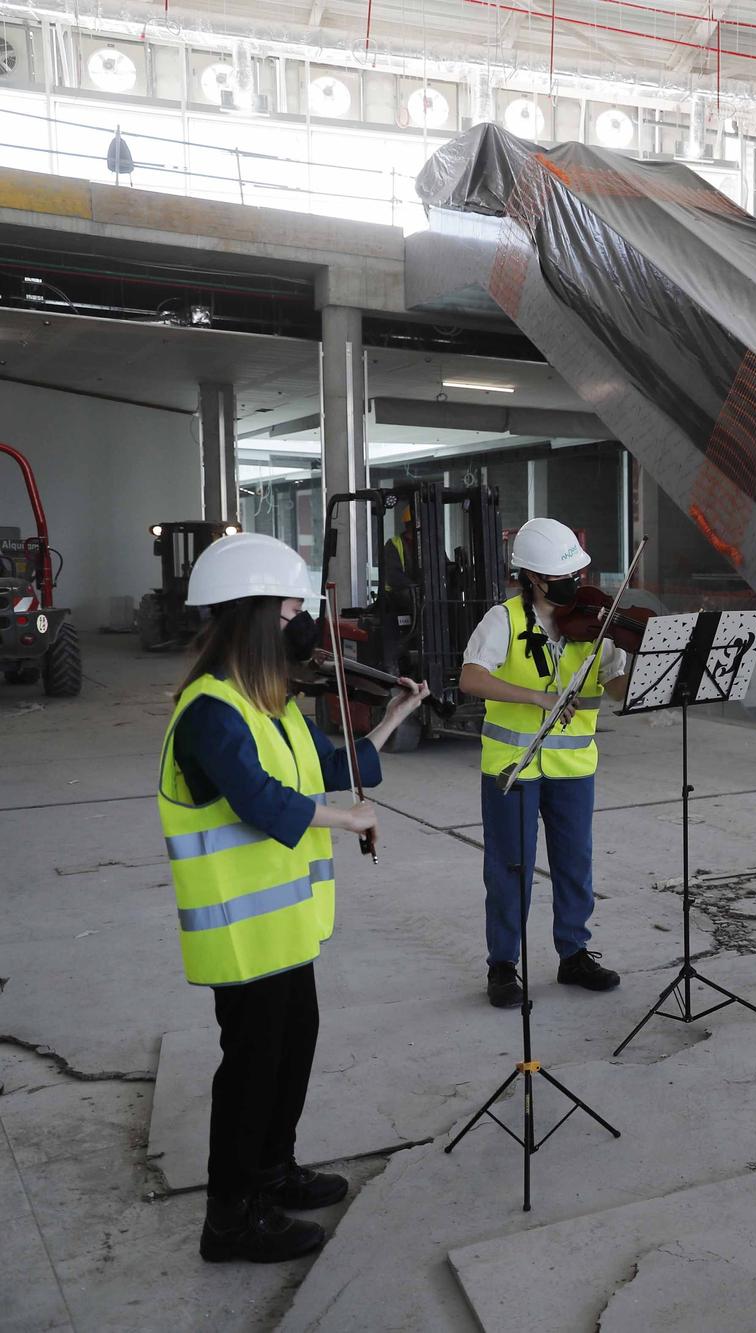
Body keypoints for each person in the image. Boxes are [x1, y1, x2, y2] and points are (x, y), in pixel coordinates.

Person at [157, 533, 430, 1263]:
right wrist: (348, 819)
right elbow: (257, 798)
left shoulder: (271, 707)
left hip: (283, 932)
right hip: (241, 937)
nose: (299, 626)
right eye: (287, 613)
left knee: (292, 1048)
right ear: (253, 619)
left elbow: (331, 763)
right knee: (250, 1069)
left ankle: (272, 1172)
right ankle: (230, 1218)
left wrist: (397, 717)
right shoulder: (210, 711)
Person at [458, 517, 628, 1007]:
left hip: (574, 770)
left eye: (577, 573)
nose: (576, 584)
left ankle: (574, 955)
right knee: (510, 870)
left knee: (575, 866)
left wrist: (643, 671)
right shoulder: (503, 620)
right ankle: (503, 966)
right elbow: (471, 677)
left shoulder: (594, 625)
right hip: (512, 768)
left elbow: (615, 686)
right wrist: (535, 696)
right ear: (534, 578)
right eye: (563, 576)